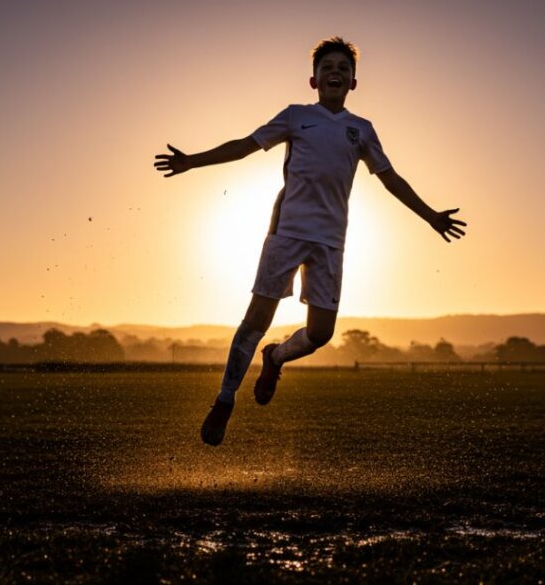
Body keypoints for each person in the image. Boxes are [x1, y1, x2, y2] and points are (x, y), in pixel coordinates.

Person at [154, 37, 467, 446]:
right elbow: (245, 147)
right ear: (313, 79)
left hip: (331, 242)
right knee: (255, 321)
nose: (334, 72)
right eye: (327, 67)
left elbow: (390, 178)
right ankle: (224, 399)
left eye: (343, 67)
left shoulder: (362, 130)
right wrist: (192, 160)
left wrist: (431, 217)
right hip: (287, 234)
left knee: (320, 335)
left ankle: (276, 356)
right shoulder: (295, 116)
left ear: (354, 81)